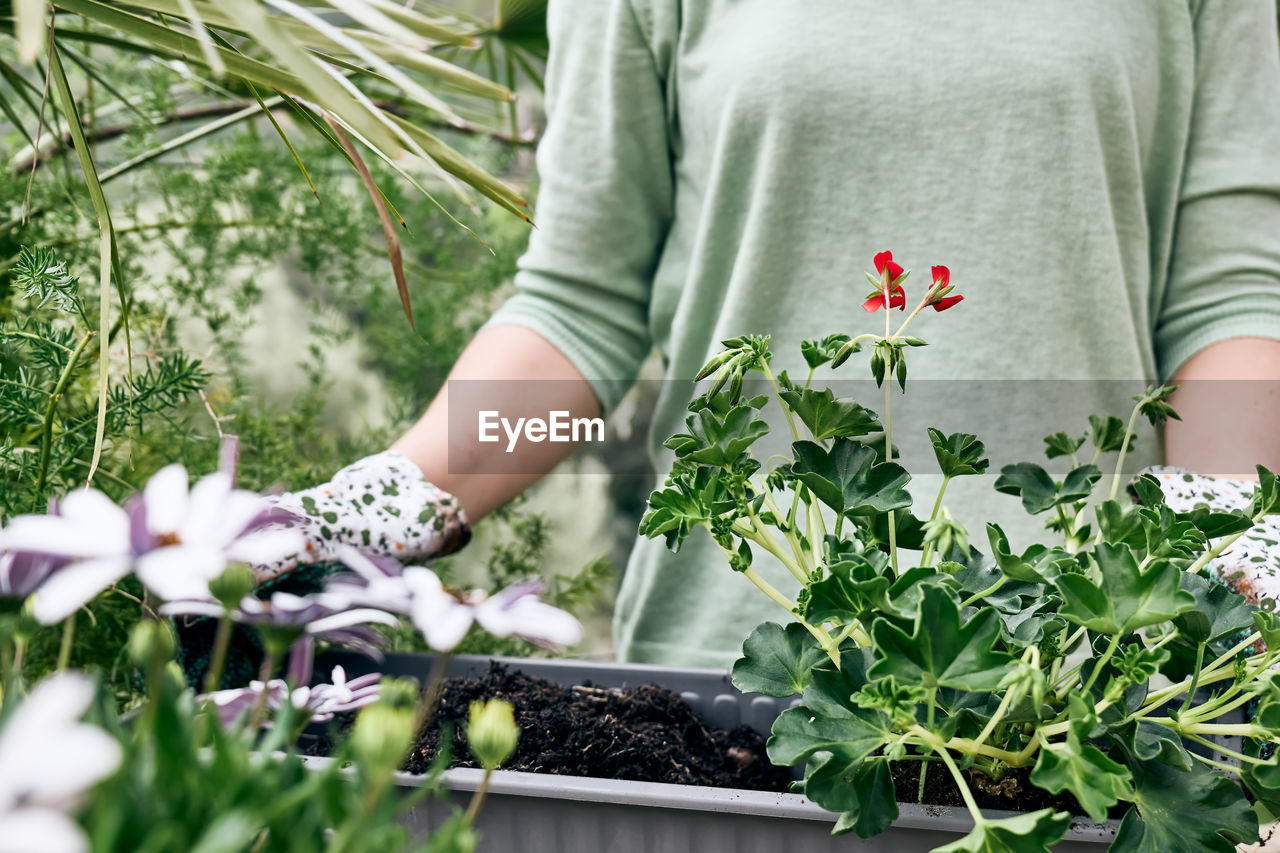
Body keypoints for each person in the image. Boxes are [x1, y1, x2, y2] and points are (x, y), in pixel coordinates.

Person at [266, 0, 1280, 669]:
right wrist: (386, 504)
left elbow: (1221, 297)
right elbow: (583, 312)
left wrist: (1233, 531)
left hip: (1073, 681)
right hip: (734, 674)